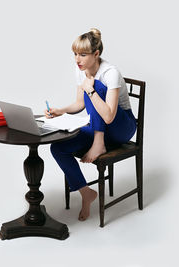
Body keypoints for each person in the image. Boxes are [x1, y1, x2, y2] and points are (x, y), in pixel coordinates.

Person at [44, 28, 137, 221]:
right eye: (75, 54)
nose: (77, 59)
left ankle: (98, 143)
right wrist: (60, 110)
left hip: (121, 127)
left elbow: (110, 116)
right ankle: (86, 193)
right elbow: (80, 104)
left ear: (96, 54)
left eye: (83, 55)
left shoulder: (110, 72)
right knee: (58, 148)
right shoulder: (81, 71)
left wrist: (91, 90)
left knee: (96, 86)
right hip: (98, 125)